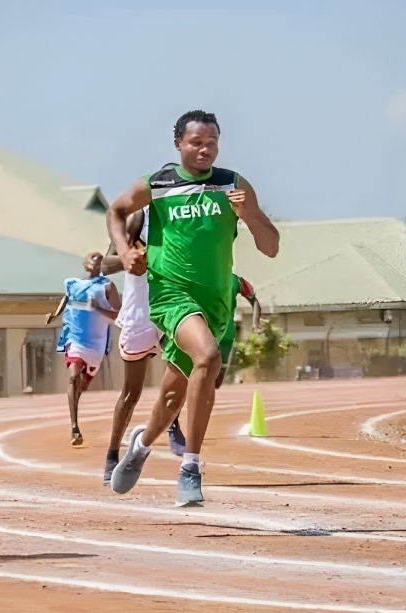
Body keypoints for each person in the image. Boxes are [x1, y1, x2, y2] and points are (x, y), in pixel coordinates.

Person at [107, 110, 278, 506]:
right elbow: (116, 210)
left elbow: (269, 247)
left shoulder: (231, 185)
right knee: (209, 356)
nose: (205, 150)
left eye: (212, 143)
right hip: (170, 294)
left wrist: (249, 215)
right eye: (197, 142)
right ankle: (191, 467)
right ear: (178, 144)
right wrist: (124, 249)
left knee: (172, 396)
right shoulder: (158, 184)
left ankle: (142, 444)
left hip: (215, 301)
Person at [95, 203, 185, 486]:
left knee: (183, 373)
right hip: (140, 313)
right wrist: (128, 257)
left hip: (174, 308)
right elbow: (103, 265)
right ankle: (112, 454)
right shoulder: (141, 216)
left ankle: (173, 424)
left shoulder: (189, 218)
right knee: (131, 393)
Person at [46, 253, 120, 446]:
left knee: (82, 385)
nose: (95, 260)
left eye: (99, 259)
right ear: (84, 263)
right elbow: (66, 299)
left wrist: (97, 308)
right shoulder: (72, 284)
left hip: (95, 343)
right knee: (73, 377)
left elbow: (118, 314)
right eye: (91, 258)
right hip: (74, 337)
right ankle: (75, 427)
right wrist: (54, 315)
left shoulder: (107, 286)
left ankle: (76, 404)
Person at [215, 274, 261, 389]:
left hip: (226, 335)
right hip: (204, 332)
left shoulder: (236, 281)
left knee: (217, 381)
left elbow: (254, 301)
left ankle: (205, 401)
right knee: (200, 370)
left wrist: (255, 324)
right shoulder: (200, 275)